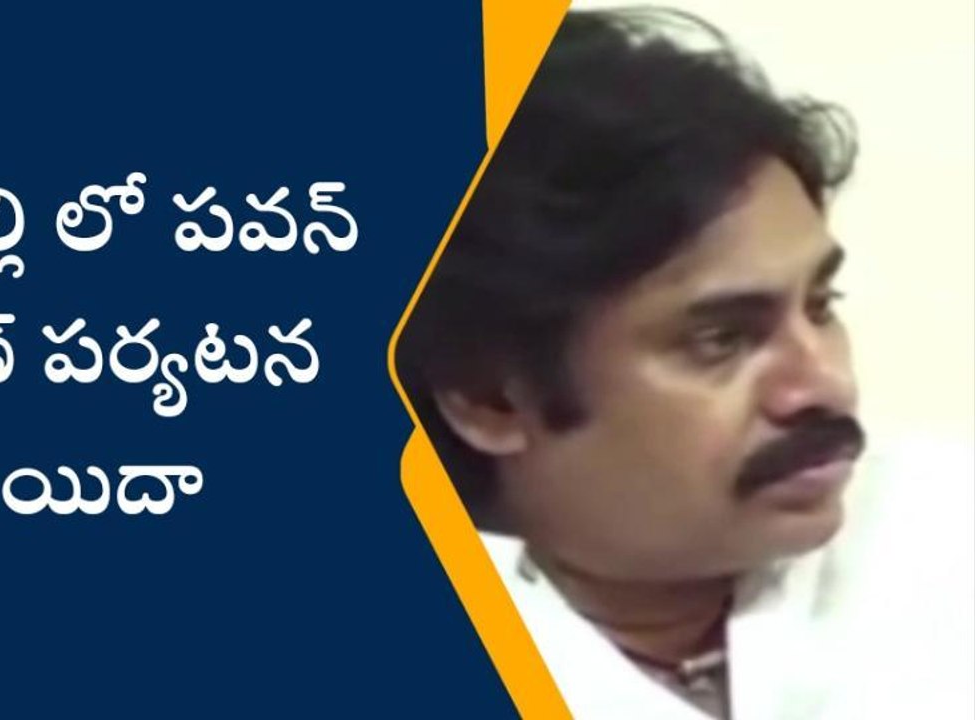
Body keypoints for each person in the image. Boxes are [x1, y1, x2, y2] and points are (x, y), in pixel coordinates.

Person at [396, 7, 974, 719]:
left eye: (821, 305)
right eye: (722, 340)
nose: (821, 384)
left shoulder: (940, 533)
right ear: (490, 397)